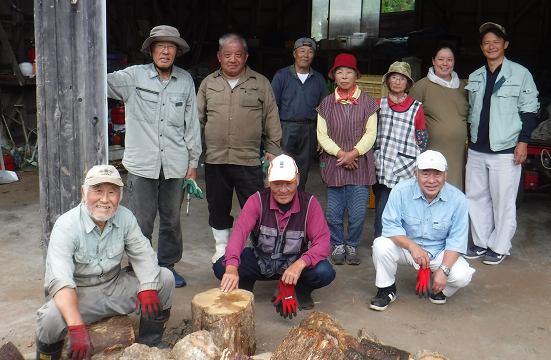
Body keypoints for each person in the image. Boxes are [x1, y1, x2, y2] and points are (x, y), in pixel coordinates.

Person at [35, 165, 175, 360]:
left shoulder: (125, 217)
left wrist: (149, 286)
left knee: (165, 278)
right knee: (49, 319)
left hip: (115, 286)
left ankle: (150, 344)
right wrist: (75, 327)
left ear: (120, 196)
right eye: (98, 191)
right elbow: (61, 281)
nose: (104, 199)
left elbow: (143, 253)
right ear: (84, 193)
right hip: (81, 294)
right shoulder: (66, 227)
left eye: (112, 192)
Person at [107, 25, 202, 287]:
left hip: (175, 165)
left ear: (177, 52)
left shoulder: (185, 81)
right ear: (151, 50)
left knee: (171, 221)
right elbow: (98, 82)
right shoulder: (133, 77)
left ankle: (167, 268)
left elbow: (192, 125)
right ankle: (139, 268)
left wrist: (193, 164)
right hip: (142, 165)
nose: (165, 51)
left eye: (170, 46)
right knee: (141, 222)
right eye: (160, 45)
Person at [197, 33, 282, 264]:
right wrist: (193, 153)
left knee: (256, 207)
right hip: (215, 158)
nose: (232, 59)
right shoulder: (208, 83)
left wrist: (273, 150)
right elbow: (198, 119)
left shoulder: (260, 82)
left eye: (237, 54)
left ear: (246, 56)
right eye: (227, 55)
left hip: (249, 159)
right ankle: (222, 248)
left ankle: (259, 248)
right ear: (219, 57)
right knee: (217, 205)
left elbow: (272, 117)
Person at [213, 154, 336, 310]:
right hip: (261, 260)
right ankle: (245, 283)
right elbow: (239, 234)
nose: (283, 190)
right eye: (277, 184)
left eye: (288, 184)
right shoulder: (256, 200)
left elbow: (323, 243)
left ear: (297, 180)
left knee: (324, 272)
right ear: (268, 182)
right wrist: (231, 269)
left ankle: (301, 290)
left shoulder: (310, 204)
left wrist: (298, 265)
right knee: (221, 267)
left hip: (294, 261)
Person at [463, 22, 538, 265]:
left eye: (496, 41)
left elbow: (529, 110)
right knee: (475, 197)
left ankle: (500, 246)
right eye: (486, 42)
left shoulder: (520, 74)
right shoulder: (475, 76)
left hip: (506, 148)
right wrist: (468, 142)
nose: (491, 46)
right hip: (476, 147)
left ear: (505, 44)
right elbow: (471, 112)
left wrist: (523, 142)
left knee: (503, 200)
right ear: (482, 47)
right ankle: (482, 242)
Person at [369, 151, 475, 311]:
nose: (431, 180)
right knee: (381, 245)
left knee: (462, 275)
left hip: (439, 252)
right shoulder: (400, 191)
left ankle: (440, 290)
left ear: (446, 174)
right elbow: (390, 227)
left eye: (438, 174)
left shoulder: (458, 199)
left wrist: (444, 270)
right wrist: (413, 247)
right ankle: (386, 289)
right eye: (425, 174)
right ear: (415, 174)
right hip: (407, 250)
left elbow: (457, 239)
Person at [316, 53, 379, 266]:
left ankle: (352, 244)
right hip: (335, 163)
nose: (344, 76)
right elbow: (322, 135)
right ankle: (337, 244)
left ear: (356, 76)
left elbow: (371, 133)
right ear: (334, 76)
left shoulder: (368, 102)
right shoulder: (326, 103)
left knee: (358, 212)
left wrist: (353, 154)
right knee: (333, 211)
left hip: (360, 164)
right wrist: (342, 155)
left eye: (349, 72)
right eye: (339, 72)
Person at [373, 61, 427, 238]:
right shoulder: (378, 104)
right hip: (382, 161)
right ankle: (380, 240)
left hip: (406, 164)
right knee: (381, 199)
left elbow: (421, 138)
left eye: (402, 78)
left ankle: (397, 239)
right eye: (394, 77)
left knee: (401, 202)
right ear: (388, 81)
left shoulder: (416, 107)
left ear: (408, 83)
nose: (397, 81)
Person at [409, 44, 469, 191]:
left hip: (457, 152)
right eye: (441, 59)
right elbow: (409, 118)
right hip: (431, 150)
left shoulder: (463, 87)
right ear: (433, 61)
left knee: (454, 188)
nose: (445, 63)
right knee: (432, 187)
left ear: (454, 62)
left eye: (449, 60)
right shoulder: (422, 86)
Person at [271, 37, 327, 191]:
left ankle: (298, 203)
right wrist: (272, 134)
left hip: (309, 129)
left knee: (302, 171)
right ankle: (280, 201)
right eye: (302, 51)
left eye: (310, 52)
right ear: (294, 54)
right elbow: (271, 107)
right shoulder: (281, 75)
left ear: (313, 55)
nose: (305, 55)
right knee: (282, 168)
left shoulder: (319, 79)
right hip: (285, 127)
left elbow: (324, 111)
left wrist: (322, 137)